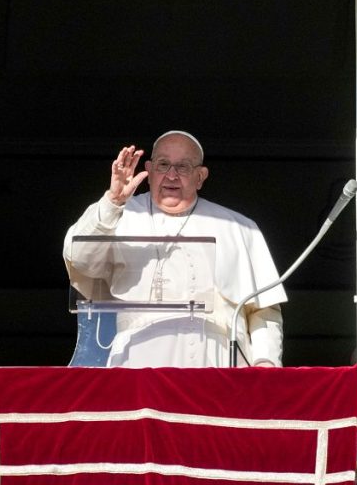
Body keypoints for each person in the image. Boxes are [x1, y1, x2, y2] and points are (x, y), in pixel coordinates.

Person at [63, 130, 286, 367]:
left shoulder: (239, 227)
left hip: (220, 363)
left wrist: (266, 364)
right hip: (139, 359)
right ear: (148, 170)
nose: (171, 175)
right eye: (163, 165)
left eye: (183, 167)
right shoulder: (117, 215)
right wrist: (113, 202)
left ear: (200, 176)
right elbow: (79, 259)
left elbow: (264, 311)